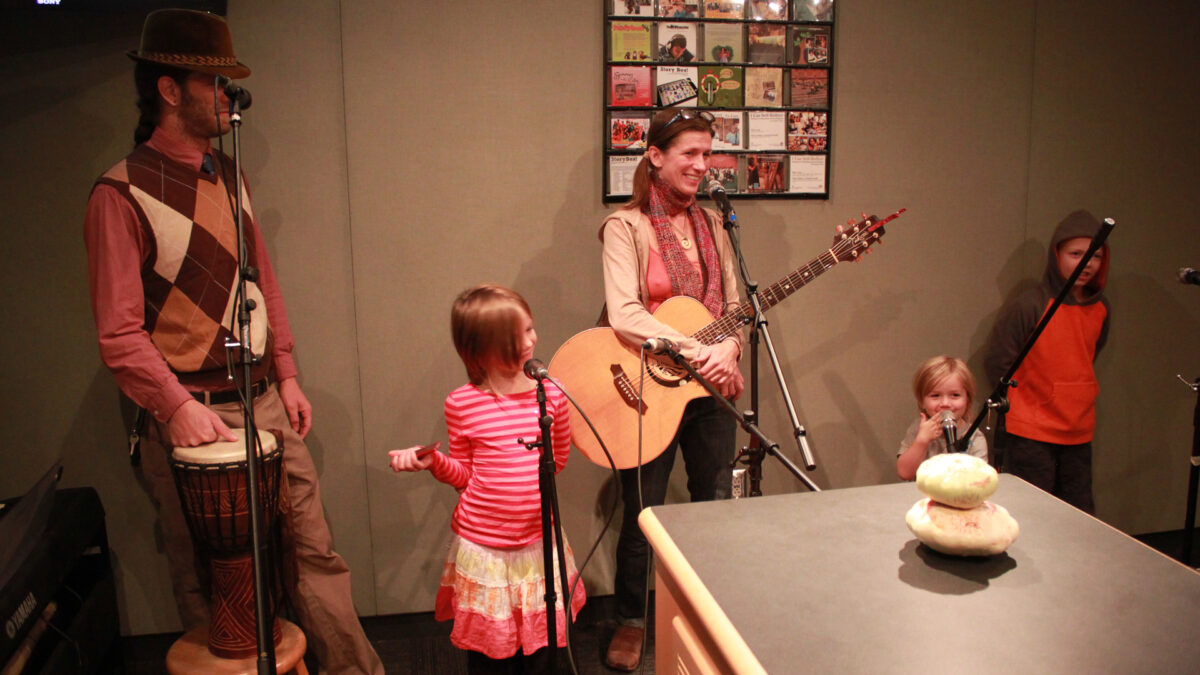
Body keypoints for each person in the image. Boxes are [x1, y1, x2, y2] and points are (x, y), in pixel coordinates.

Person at [83, 9, 382, 673]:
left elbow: (261, 285)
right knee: (211, 575)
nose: (228, 98)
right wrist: (173, 406)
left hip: (265, 397)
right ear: (168, 89)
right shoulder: (119, 193)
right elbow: (119, 332)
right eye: (214, 84)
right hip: (192, 411)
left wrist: (290, 371)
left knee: (312, 553)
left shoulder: (230, 172)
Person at [597, 107, 744, 671]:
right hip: (647, 385)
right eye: (690, 154)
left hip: (712, 385)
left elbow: (734, 305)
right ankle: (631, 621)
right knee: (643, 512)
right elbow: (625, 313)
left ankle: (704, 612)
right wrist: (693, 349)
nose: (702, 166)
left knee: (712, 507)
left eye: (707, 154)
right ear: (656, 156)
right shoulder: (624, 227)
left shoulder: (714, 225)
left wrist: (727, 348)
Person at [388, 284, 585, 673]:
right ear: (479, 349)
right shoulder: (462, 403)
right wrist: (433, 463)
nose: (532, 340)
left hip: (536, 542)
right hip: (484, 547)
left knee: (543, 648)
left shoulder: (553, 396)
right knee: (490, 655)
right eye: (518, 335)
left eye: (531, 328)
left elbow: (556, 462)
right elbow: (464, 475)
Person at [984, 210, 1110, 513]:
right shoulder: (1031, 304)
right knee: (1035, 511)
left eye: (1095, 255)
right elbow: (1000, 361)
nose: (1086, 263)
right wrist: (1026, 402)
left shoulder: (1101, 309)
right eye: (1076, 253)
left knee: (1078, 511)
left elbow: (1090, 354)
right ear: (1057, 255)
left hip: (1078, 429)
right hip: (1031, 431)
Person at [896, 356, 989, 481]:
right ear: (922, 401)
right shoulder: (918, 429)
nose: (945, 403)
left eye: (955, 395)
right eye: (935, 395)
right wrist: (922, 441)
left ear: (968, 399)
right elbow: (904, 473)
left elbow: (980, 480)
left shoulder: (975, 437)